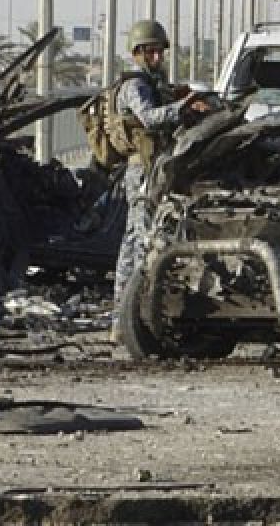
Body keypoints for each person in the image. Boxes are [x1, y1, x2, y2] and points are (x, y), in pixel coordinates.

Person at [111, 19, 211, 340]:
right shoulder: (135, 86)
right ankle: (136, 320)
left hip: (153, 170)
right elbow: (150, 119)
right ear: (138, 53)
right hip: (143, 173)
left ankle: (122, 320)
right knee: (143, 245)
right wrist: (182, 107)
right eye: (151, 53)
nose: (157, 59)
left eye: (160, 53)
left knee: (134, 244)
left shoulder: (151, 83)